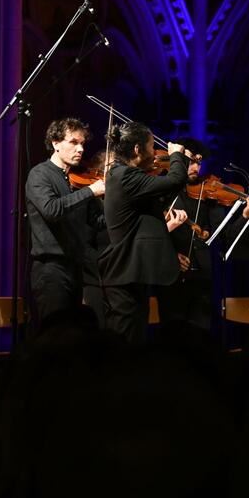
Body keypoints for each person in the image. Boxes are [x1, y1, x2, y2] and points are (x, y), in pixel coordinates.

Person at [97, 122, 189, 343]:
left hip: (132, 272)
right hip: (123, 271)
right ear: (137, 150)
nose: (154, 151)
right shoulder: (124, 175)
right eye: (150, 146)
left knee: (135, 338)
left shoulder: (127, 176)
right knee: (124, 342)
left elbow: (161, 192)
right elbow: (175, 180)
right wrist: (176, 156)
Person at [159, 137, 249, 330]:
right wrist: (170, 255)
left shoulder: (208, 194)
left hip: (203, 280)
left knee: (200, 336)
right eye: (190, 161)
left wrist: (245, 215)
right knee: (171, 337)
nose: (196, 167)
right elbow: (152, 231)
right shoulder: (165, 189)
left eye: (199, 162)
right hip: (170, 278)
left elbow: (226, 235)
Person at [24, 118, 106, 322]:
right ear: (55, 143)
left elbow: (97, 221)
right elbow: (52, 210)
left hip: (76, 267)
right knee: (54, 335)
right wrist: (90, 191)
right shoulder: (40, 174)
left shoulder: (75, 179)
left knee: (72, 334)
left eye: (83, 143)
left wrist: (120, 204)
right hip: (51, 269)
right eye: (73, 142)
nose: (80, 149)